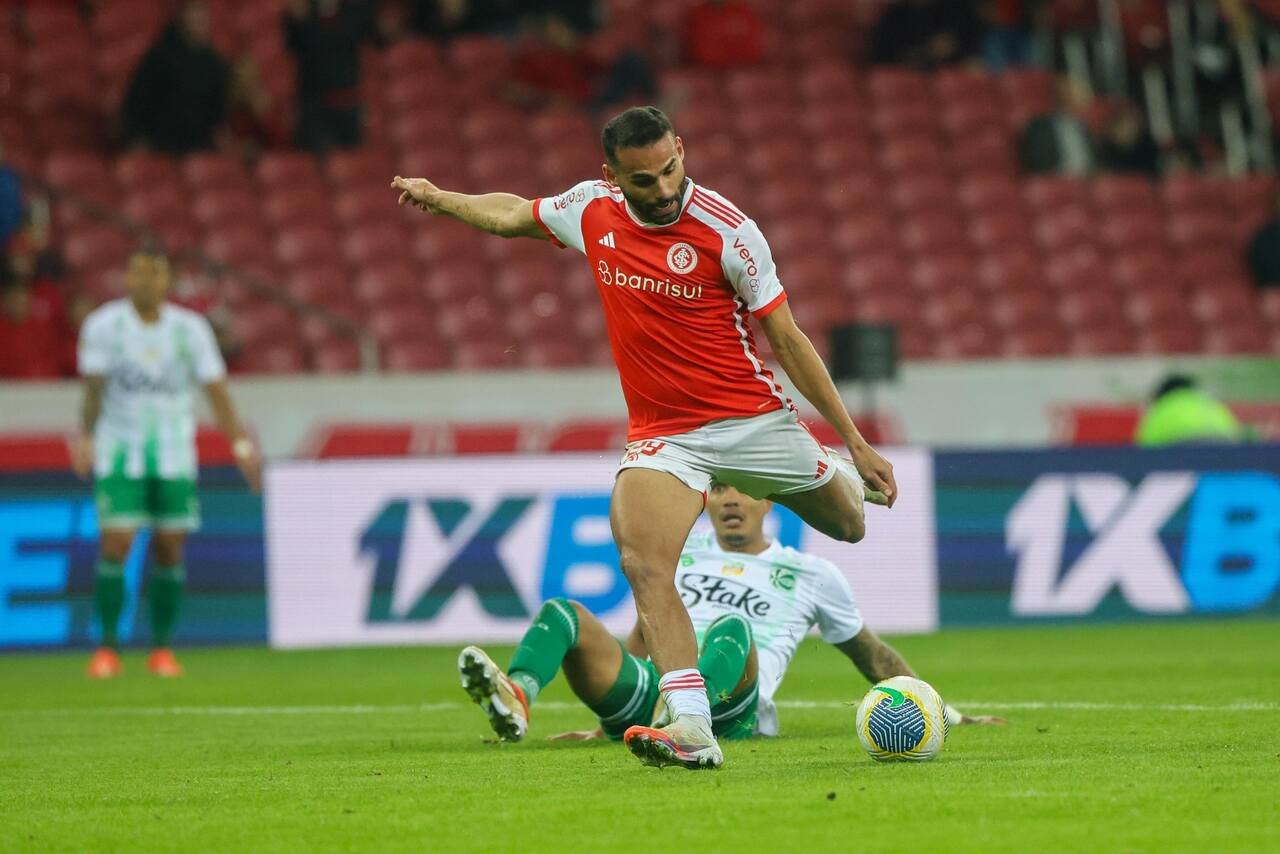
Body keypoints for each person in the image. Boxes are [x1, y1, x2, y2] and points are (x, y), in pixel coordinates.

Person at [392, 106, 898, 770]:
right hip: (667, 437)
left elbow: (787, 338)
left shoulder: (730, 231)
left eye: (669, 170)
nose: (662, 189)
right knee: (643, 564)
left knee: (850, 524)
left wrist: (854, 441)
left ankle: (830, 468)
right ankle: (690, 725)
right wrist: (439, 198)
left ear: (681, 150)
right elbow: (513, 213)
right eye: (643, 180)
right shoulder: (590, 208)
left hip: (751, 422)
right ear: (611, 176)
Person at [458, 482, 1003, 756]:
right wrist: (608, 723)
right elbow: (647, 629)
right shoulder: (683, 552)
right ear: (706, 500)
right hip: (657, 687)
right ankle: (519, 695)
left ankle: (684, 722)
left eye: (744, 488)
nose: (730, 500)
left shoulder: (811, 573)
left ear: (769, 501)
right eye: (718, 488)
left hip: (734, 706)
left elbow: (873, 656)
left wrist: (946, 713)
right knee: (564, 613)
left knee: (730, 627)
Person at [73, 250, 262, 679]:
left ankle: (160, 648)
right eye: (139, 272)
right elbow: (93, 390)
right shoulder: (104, 326)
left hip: (174, 453)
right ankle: (107, 648)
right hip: (120, 450)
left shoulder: (190, 330)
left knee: (170, 547)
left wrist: (240, 444)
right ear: (127, 278)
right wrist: (85, 437)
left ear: (167, 281)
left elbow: (216, 390)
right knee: (116, 543)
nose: (146, 281)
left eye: (155, 274)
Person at [119, 1, 230, 155]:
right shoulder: (159, 57)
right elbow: (135, 106)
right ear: (181, 17)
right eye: (194, 11)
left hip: (199, 148)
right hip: (160, 147)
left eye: (203, 12)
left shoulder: (213, 62)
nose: (201, 18)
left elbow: (217, 116)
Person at [284, 0, 379, 154]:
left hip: (349, 101)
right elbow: (295, 46)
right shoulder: (304, 14)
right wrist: (299, 20)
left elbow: (375, 36)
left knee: (354, 159)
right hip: (314, 105)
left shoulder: (355, 12)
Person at [1134, 374, 1248, 446]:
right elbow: (1238, 437)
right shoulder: (1213, 405)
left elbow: (1144, 449)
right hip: (1224, 454)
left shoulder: (1161, 409)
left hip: (1178, 458)